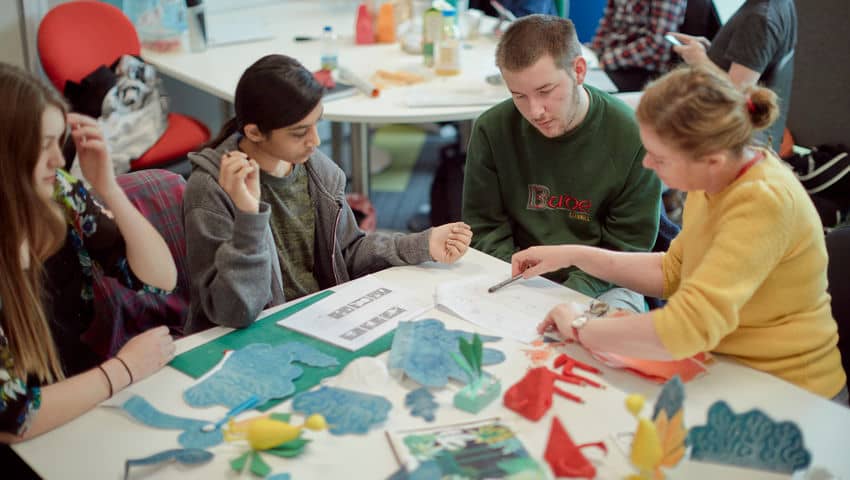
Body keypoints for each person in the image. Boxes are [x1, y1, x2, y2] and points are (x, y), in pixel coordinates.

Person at [511, 64, 848, 403]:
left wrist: (582, 327)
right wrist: (574, 254)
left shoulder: (763, 202)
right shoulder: (715, 178)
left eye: (659, 158)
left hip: (792, 391)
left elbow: (687, 327)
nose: (647, 165)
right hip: (730, 370)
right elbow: (673, 271)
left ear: (711, 159)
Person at [183, 54, 473, 334]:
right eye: (299, 132)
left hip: (321, 319)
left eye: (317, 123)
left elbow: (347, 253)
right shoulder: (211, 190)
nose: (316, 141)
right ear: (255, 133)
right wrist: (248, 218)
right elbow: (233, 312)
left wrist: (422, 244)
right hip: (257, 336)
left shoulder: (317, 171)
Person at [0, 63, 177, 448]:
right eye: (42, 144)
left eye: (57, 141)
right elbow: (13, 419)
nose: (57, 159)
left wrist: (108, 187)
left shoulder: (60, 193)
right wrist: (124, 369)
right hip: (40, 435)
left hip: (81, 406)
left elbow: (158, 280)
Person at [462, 15, 662, 312]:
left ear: (579, 70)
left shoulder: (634, 136)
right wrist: (523, 288)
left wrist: (565, 298)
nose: (535, 111)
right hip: (514, 277)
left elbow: (627, 246)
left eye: (545, 91)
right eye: (519, 96)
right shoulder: (492, 129)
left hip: (604, 281)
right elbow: (484, 228)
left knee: (611, 345)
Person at [671, 0, 797, 152]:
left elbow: (737, 90)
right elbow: (750, 61)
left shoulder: (759, 18)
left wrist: (700, 60)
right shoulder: (778, 5)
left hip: (729, 132)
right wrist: (710, 52)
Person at [587, 0, 688, 92]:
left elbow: (658, 45)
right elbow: (607, 22)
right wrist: (592, 52)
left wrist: (606, 61)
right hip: (609, 59)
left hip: (643, 70)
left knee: (587, 91)